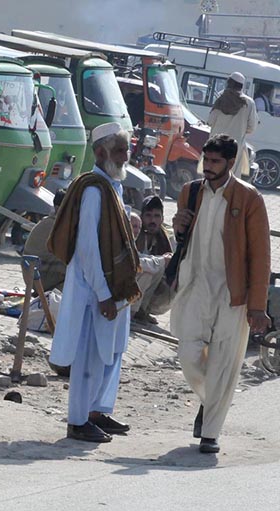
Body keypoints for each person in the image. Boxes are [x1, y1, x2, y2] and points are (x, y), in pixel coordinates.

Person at [171, 134, 271, 454]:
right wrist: (178, 225)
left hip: (234, 293)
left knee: (224, 364)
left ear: (230, 163)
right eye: (206, 160)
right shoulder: (191, 193)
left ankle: (210, 433)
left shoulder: (249, 199)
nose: (208, 167)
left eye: (215, 162)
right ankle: (209, 401)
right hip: (196, 286)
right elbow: (181, 241)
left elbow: (260, 257)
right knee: (188, 355)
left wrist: (257, 306)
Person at [47, 122, 141, 443]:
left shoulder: (113, 186)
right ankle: (78, 420)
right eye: (119, 151)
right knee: (89, 356)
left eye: (126, 150)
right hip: (95, 290)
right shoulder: (92, 190)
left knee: (111, 353)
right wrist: (102, 293)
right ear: (101, 153)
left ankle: (98, 411)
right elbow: (87, 249)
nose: (126, 156)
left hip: (115, 286)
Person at [132, 195, 174, 324]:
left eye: (156, 216)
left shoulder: (165, 238)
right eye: (148, 216)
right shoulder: (135, 232)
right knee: (149, 270)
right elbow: (135, 261)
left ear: (162, 218)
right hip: (130, 282)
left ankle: (143, 310)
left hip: (149, 289)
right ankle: (134, 311)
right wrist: (160, 261)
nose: (152, 220)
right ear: (142, 217)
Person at [207, 72, 257, 178]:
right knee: (231, 177)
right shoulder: (249, 103)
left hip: (216, 144)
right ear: (241, 86)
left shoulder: (220, 99)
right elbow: (251, 127)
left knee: (212, 174)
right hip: (235, 146)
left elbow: (210, 121)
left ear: (228, 83)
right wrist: (240, 129)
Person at [23, 188, 67, 292]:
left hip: (36, 274)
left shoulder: (54, 222)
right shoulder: (55, 225)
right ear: (57, 208)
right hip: (41, 277)